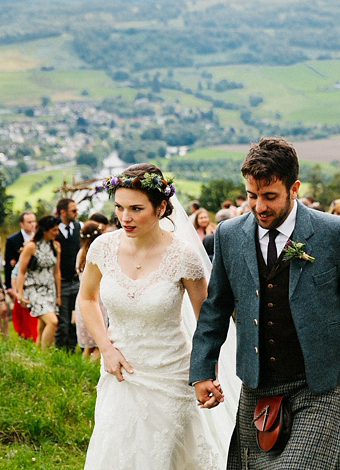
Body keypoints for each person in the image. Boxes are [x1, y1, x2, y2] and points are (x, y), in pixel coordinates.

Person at [191, 137, 340, 469]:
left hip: (320, 381)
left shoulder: (332, 232)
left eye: (270, 196)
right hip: (258, 383)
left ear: (294, 188)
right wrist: (202, 369)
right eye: (252, 196)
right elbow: (216, 307)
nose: (259, 206)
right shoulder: (229, 235)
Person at [80, 164, 234, 468]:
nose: (125, 217)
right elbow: (87, 298)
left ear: (162, 207)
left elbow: (207, 320)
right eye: (120, 208)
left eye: (136, 208)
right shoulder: (103, 248)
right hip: (120, 373)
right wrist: (106, 349)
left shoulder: (183, 256)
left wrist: (206, 373)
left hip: (171, 375)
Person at [15, 215, 62, 350]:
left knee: (42, 325)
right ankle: (46, 354)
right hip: (34, 289)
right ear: (45, 230)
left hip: (50, 289)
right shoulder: (31, 247)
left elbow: (57, 272)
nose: (57, 233)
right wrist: (19, 294)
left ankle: (39, 356)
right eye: (54, 230)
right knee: (52, 322)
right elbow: (21, 272)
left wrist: (58, 295)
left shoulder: (56, 246)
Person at [74, 220, 106, 362]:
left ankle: (83, 369)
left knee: (88, 346)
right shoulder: (98, 254)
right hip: (96, 299)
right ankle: (92, 371)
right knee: (100, 343)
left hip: (82, 298)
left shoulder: (80, 253)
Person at [5, 211, 39, 339]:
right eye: (29, 222)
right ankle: (24, 334)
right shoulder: (12, 240)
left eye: (34, 221)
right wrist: (9, 286)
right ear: (21, 224)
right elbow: (9, 265)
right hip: (18, 278)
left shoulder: (39, 238)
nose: (32, 225)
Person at [55, 198, 82, 352]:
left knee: (75, 319)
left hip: (76, 281)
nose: (76, 213)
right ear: (63, 212)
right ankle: (59, 351)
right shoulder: (54, 231)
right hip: (61, 282)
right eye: (73, 210)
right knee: (63, 321)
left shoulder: (78, 228)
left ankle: (71, 350)